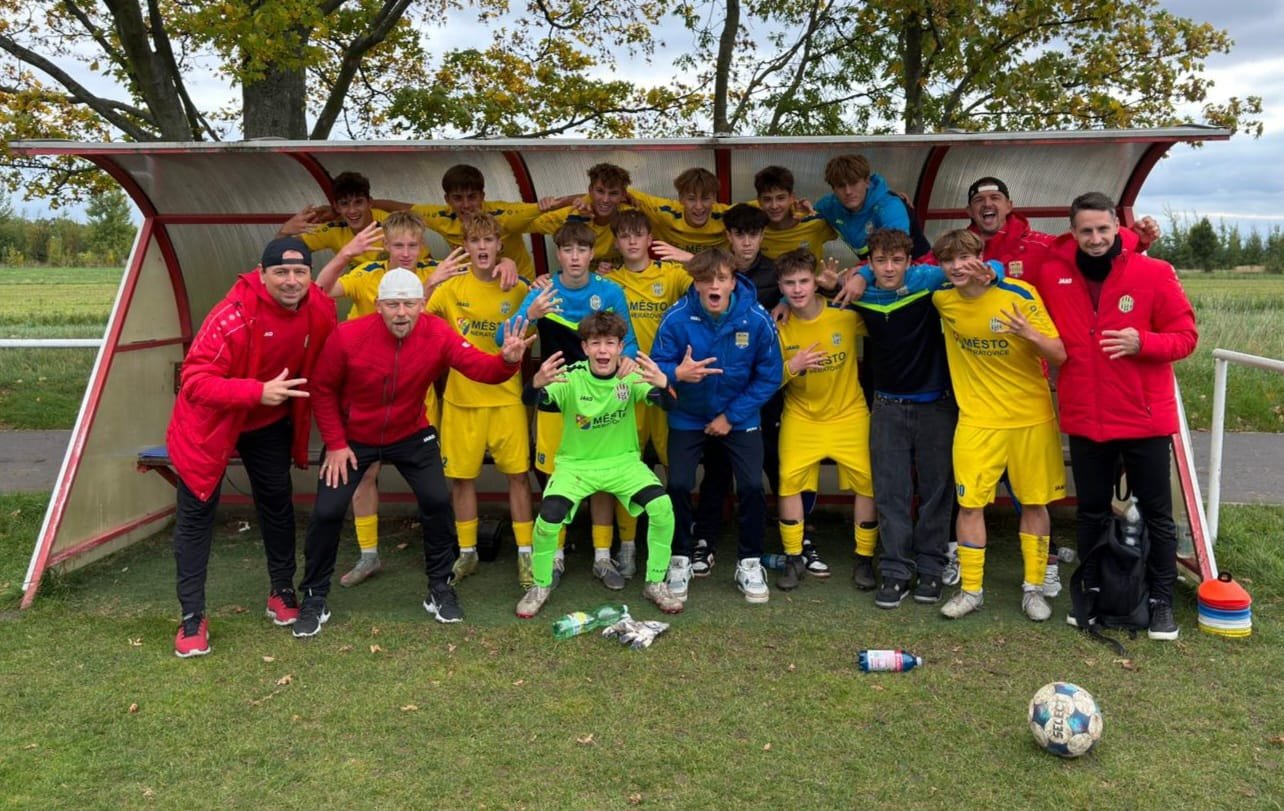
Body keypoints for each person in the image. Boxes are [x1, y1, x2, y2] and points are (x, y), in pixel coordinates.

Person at [294, 268, 535, 637]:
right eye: (393, 305)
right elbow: (322, 389)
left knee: (437, 502)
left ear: (423, 304)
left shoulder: (437, 333)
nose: (401, 313)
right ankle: (314, 596)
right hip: (354, 438)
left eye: (409, 304)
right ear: (378, 306)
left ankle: (440, 588)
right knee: (327, 511)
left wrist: (507, 360)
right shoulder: (347, 335)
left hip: (411, 432)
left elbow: (483, 370)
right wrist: (337, 444)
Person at [1036, 192, 1197, 641]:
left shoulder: (1154, 272)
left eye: (1103, 229)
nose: (1095, 239)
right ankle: (1090, 592)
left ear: (1116, 229)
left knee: (1157, 515)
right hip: (1086, 417)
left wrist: (1142, 342)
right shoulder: (1053, 274)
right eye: (1086, 231)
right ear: (1073, 233)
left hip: (1144, 417)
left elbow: (1186, 337)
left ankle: (1160, 601)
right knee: (1090, 512)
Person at [169, 237, 337, 658]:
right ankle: (192, 616)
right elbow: (194, 380)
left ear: (310, 275)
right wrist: (257, 391)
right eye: (281, 272)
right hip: (210, 424)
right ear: (262, 274)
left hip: (267, 422)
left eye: (299, 272)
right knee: (196, 514)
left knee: (277, 502)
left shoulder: (317, 306)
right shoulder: (231, 315)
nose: (291, 280)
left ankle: (281, 590)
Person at [310, 211, 472, 588]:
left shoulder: (438, 271)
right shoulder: (367, 274)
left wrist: (506, 265)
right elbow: (318, 292)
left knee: (432, 487)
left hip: (414, 396)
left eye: (412, 245)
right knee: (364, 473)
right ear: (385, 245)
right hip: (366, 396)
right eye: (397, 245)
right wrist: (345, 254)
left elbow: (431, 315)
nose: (405, 252)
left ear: (422, 245)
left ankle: (443, 564)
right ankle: (369, 554)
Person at [846, 229, 1001, 602]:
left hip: (936, 406)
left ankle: (931, 568)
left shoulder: (929, 280)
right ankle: (895, 570)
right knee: (891, 493)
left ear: (910, 262)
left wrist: (994, 269)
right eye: (879, 261)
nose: (888, 268)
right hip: (887, 407)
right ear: (870, 263)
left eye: (896, 260)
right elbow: (807, 293)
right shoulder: (860, 292)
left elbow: (984, 268)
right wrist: (856, 277)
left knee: (936, 491)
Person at [931, 230, 1067, 622]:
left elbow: (1059, 354)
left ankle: (1033, 589)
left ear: (980, 257)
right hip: (977, 420)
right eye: (949, 260)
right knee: (969, 504)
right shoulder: (942, 299)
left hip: (1030, 418)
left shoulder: (1019, 294)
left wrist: (1029, 334)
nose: (957, 267)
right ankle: (971, 591)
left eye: (965, 258)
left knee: (1034, 502)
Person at [515, 312, 686, 618]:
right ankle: (540, 586)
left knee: (662, 507)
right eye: (596, 343)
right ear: (585, 348)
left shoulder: (630, 376)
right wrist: (536, 383)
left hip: (623, 464)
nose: (603, 350)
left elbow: (669, 403)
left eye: (610, 343)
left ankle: (655, 582)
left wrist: (663, 382)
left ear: (621, 347)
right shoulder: (572, 376)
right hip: (576, 467)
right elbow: (533, 400)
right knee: (548, 517)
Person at [502, 221, 638, 589]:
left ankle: (602, 557)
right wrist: (530, 315)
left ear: (592, 254)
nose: (575, 257)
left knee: (604, 478)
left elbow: (630, 343)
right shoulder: (543, 292)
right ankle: (556, 555)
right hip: (557, 397)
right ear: (558, 254)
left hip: (600, 401)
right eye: (567, 250)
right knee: (553, 477)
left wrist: (627, 360)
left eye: (582, 250)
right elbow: (504, 337)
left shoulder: (609, 291)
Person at [651, 248, 782, 604]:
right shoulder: (676, 317)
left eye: (721, 279)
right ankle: (679, 558)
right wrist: (678, 373)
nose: (714, 286)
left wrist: (731, 416)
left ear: (733, 282)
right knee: (678, 483)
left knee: (752, 485)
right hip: (687, 415)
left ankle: (749, 563)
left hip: (739, 417)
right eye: (706, 279)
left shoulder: (756, 318)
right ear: (695, 283)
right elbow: (655, 367)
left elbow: (770, 376)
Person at [426, 213, 536, 589]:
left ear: (499, 244)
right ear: (466, 247)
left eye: (489, 240)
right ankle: (467, 552)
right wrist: (430, 282)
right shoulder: (450, 288)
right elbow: (414, 317)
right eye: (475, 241)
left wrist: (519, 273)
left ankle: (525, 554)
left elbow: (540, 316)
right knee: (461, 480)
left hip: (506, 399)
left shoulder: (518, 288)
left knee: (518, 476)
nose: (482, 247)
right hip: (462, 400)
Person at [772, 248, 875, 591]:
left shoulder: (844, 316)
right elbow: (765, 379)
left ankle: (864, 558)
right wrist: (792, 367)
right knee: (788, 482)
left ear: (815, 282)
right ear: (780, 287)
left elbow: (882, 316)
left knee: (867, 484)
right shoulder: (777, 325)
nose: (797, 289)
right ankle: (793, 557)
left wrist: (839, 287)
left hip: (849, 414)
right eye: (789, 284)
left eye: (803, 281)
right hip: (802, 416)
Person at [598, 209, 693, 575]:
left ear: (650, 238)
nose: (632, 242)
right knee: (626, 467)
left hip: (665, 384)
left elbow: (721, 275)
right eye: (625, 236)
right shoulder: (609, 282)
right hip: (625, 389)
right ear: (616, 242)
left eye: (638, 234)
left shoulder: (671, 275)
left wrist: (686, 257)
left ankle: (675, 544)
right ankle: (628, 545)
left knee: (674, 467)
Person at [276, 171, 419, 270]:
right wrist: (284, 232)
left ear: (370, 203)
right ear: (336, 207)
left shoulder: (393, 225)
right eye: (344, 204)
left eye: (358, 202)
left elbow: (423, 266)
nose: (352, 210)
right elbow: (278, 253)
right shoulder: (333, 229)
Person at [812, 154, 931, 260]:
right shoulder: (829, 206)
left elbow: (894, 255)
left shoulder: (890, 206)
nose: (848, 191)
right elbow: (805, 221)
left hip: (919, 267)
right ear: (833, 189)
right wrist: (803, 210)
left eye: (854, 183)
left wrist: (860, 272)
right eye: (840, 186)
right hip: (874, 268)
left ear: (867, 182)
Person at [530, 162, 635, 263]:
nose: (605, 199)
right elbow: (527, 224)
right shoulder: (572, 214)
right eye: (600, 191)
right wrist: (540, 208)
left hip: (620, 275)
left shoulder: (632, 216)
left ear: (623, 195)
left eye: (614, 193)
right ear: (590, 190)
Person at [627, 167, 730, 254]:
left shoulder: (728, 216)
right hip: (673, 271)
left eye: (705, 199)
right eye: (691, 199)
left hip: (716, 271)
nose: (699, 206)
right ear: (681, 198)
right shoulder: (664, 213)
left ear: (714, 198)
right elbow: (622, 190)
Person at [753, 165, 837, 260]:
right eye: (767, 199)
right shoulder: (751, 221)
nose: (774, 206)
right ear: (759, 201)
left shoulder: (814, 221)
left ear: (792, 198)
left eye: (781, 198)